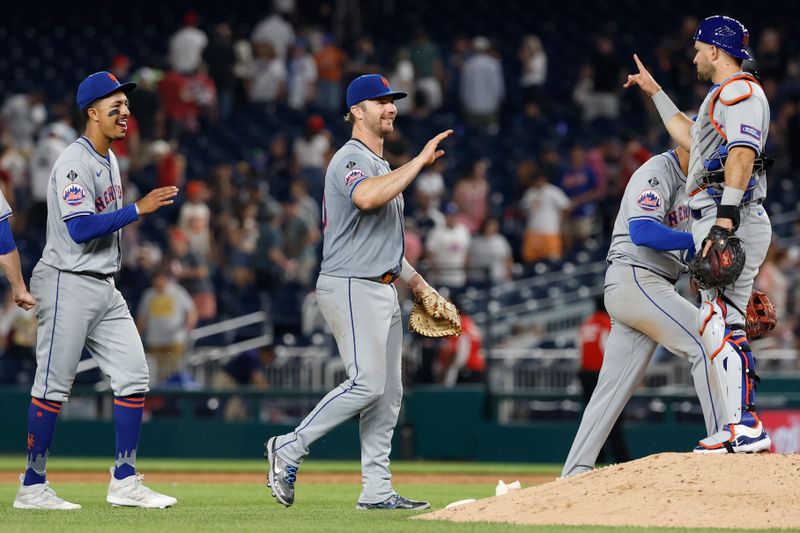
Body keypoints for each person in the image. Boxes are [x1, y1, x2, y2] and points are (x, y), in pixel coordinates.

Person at [264, 74, 452, 510]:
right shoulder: (350, 158)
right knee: (367, 384)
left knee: (388, 396)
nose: (390, 107)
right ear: (355, 111)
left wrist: (419, 284)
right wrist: (420, 162)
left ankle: (376, 491)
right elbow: (366, 199)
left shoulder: (383, 165)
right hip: (350, 285)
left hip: (380, 287)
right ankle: (288, 447)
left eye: (392, 101)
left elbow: (382, 239)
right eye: (379, 101)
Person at [13, 72, 179, 510]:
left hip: (104, 284)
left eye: (126, 105)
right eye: (115, 105)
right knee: (53, 387)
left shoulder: (108, 159)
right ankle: (32, 485)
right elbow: (81, 227)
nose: (125, 112)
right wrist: (137, 210)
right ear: (91, 111)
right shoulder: (74, 160)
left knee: (134, 373)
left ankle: (124, 480)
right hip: (68, 279)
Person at [624, 15, 772, 453]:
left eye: (697, 47)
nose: (692, 55)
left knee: (717, 320)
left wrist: (724, 221)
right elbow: (691, 137)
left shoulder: (740, 90)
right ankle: (736, 425)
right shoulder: (722, 96)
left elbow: (743, 155)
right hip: (724, 212)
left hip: (730, 213)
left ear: (714, 50)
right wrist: (656, 93)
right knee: (721, 319)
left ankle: (744, 424)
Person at [561, 148, 726, 478]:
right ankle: (723, 445)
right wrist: (697, 240)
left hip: (649, 284)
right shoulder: (656, 172)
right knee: (704, 342)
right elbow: (643, 230)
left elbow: (685, 247)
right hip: (637, 276)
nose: (712, 155)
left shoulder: (697, 183)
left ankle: (574, 472)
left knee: (612, 390)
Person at [576, 296, 630, 465]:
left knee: (591, 416)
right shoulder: (606, 323)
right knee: (613, 415)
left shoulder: (586, 324)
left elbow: (580, 349)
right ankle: (621, 456)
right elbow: (607, 349)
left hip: (585, 374)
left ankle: (594, 456)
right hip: (602, 375)